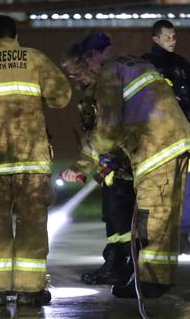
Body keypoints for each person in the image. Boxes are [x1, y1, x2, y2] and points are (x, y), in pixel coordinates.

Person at [70, 32, 190, 298]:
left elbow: (107, 128)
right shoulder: (134, 63)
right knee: (163, 218)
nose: (86, 70)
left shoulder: (109, 73)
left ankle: (149, 283)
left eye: (86, 62)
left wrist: (82, 165)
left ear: (94, 56)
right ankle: (156, 278)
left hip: (157, 150)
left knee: (150, 218)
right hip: (172, 145)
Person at [0, 15, 72, 306]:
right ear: (15, 34)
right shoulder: (34, 59)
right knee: (32, 224)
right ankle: (30, 289)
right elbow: (61, 96)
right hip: (31, 161)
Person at [59, 43, 135, 286]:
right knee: (113, 217)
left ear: (87, 63)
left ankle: (126, 267)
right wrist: (82, 168)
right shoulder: (95, 93)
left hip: (125, 168)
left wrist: (85, 166)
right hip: (115, 168)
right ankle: (118, 263)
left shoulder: (106, 90)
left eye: (75, 72)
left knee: (121, 219)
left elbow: (108, 132)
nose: (74, 79)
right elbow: (96, 140)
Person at [141, 19, 190, 254]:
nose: (172, 41)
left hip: (182, 136)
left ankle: (182, 236)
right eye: (167, 37)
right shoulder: (145, 65)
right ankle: (154, 236)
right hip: (154, 139)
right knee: (156, 188)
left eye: (174, 37)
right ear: (155, 38)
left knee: (186, 189)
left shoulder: (182, 65)